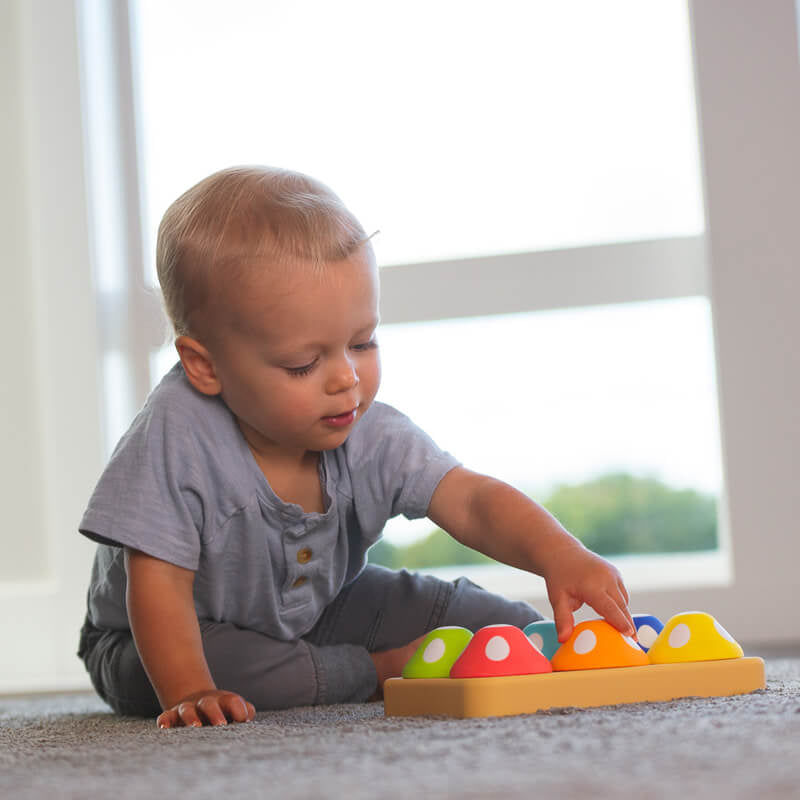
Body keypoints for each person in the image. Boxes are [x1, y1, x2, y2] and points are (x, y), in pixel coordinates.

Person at [77, 166, 635, 728]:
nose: (347, 378)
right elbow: (158, 587)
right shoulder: (177, 434)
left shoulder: (365, 430)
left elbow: (469, 501)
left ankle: (535, 644)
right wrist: (189, 689)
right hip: (157, 634)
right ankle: (371, 671)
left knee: (473, 621)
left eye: (363, 342)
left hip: (322, 606)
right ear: (205, 365)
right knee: (232, 670)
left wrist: (558, 554)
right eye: (304, 364)